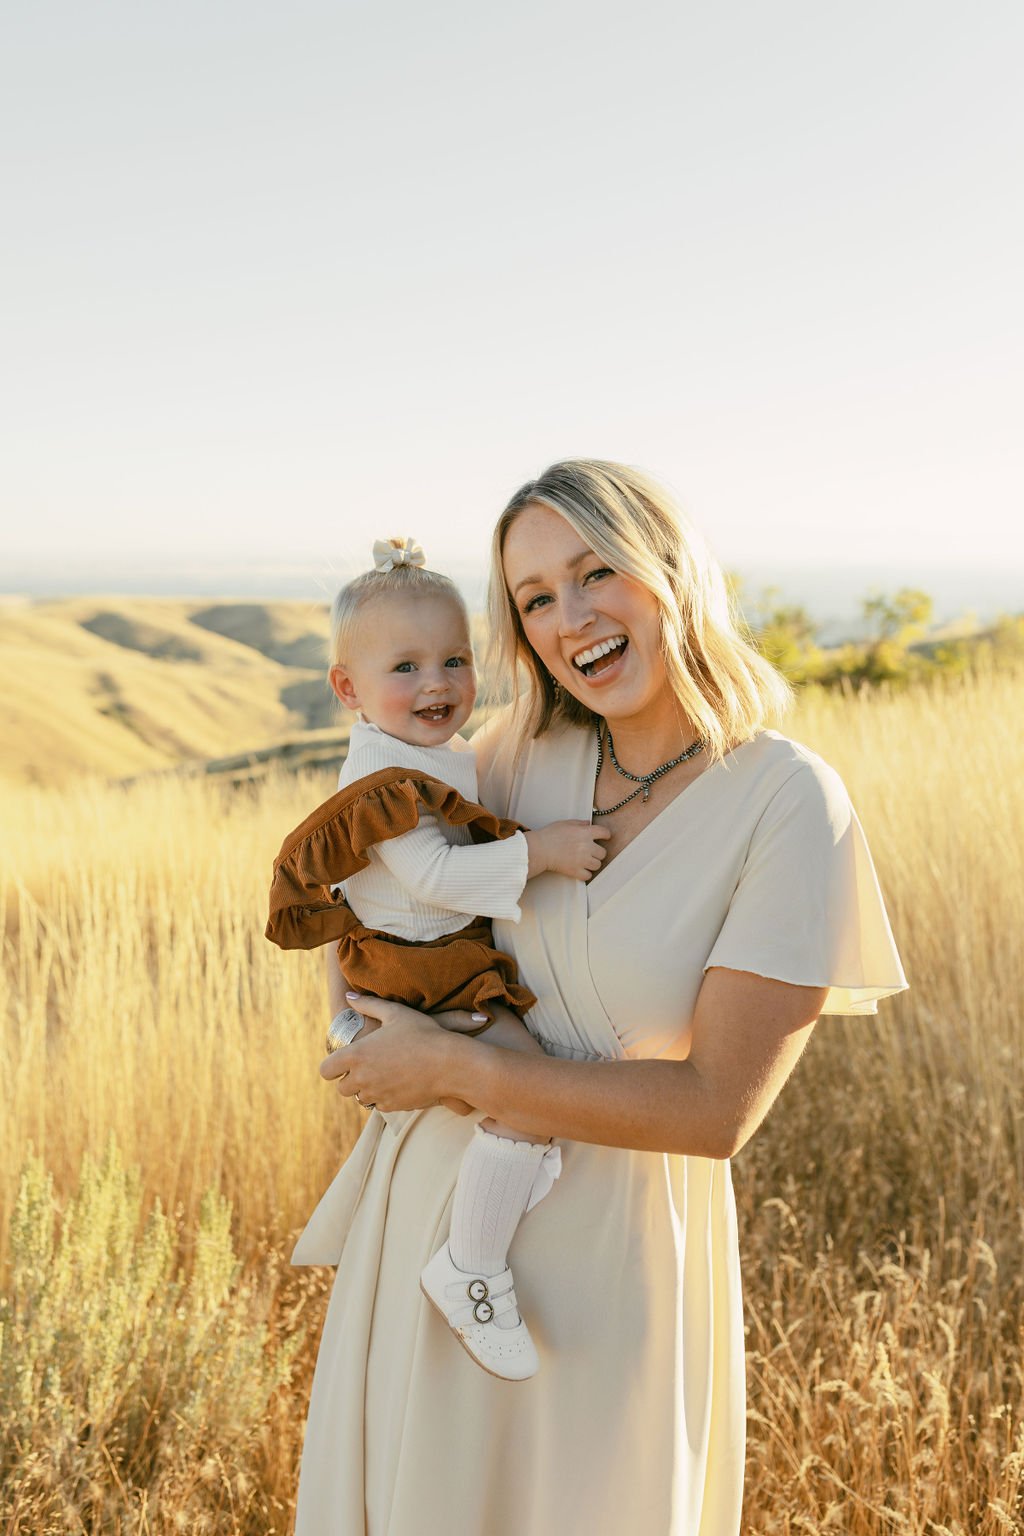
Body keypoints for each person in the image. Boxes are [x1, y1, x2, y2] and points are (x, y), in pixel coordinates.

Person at [291, 461, 907, 1536]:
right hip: (426, 1220)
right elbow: (375, 892)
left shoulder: (785, 801)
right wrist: (355, 1017)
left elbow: (716, 1110)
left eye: (594, 572)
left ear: (670, 569)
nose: (569, 619)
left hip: (605, 1265)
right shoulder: (512, 757)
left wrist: (456, 1068)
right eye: (534, 599)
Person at [266, 536, 609, 1379]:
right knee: (528, 1099)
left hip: (428, 958)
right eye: (407, 667)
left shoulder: (426, 752)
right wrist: (544, 851)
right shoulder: (384, 775)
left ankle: (506, 1181)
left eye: (454, 660)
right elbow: (431, 872)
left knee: (529, 1110)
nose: (437, 685)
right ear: (349, 689)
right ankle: (471, 1267)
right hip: (423, 969)